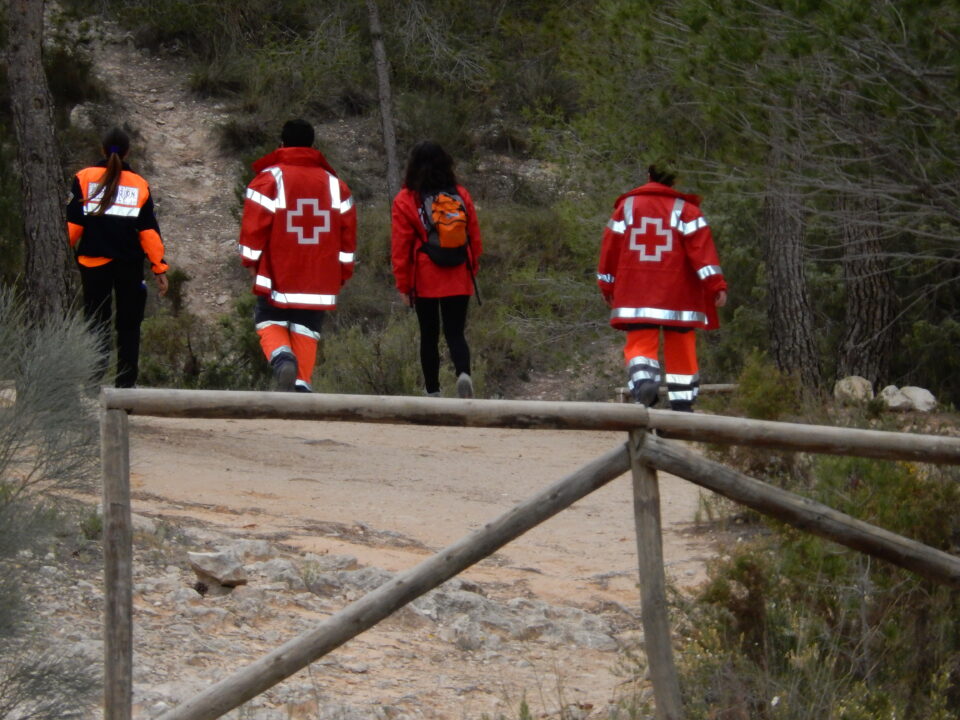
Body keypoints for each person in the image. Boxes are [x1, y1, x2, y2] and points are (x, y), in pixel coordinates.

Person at [238, 119, 356, 392]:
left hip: (278, 272)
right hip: (320, 276)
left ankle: (282, 359)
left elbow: (254, 229)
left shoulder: (269, 179)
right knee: (306, 329)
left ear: (282, 143)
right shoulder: (336, 185)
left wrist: (250, 262)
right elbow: (348, 238)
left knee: (268, 320)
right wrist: (342, 273)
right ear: (313, 146)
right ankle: (300, 389)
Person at [597, 164, 727, 411]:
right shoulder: (688, 211)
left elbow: (609, 250)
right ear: (676, 180)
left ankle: (645, 382)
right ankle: (682, 406)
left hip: (636, 294)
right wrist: (716, 285)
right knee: (682, 349)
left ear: (649, 176)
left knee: (639, 345)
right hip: (680, 297)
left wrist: (607, 284)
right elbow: (703, 254)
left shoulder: (626, 208)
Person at [66, 127, 169, 388]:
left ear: (102, 150)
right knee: (129, 325)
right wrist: (159, 268)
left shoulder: (83, 178)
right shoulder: (139, 183)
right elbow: (148, 232)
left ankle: (92, 382)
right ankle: (125, 386)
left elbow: (73, 226)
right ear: (128, 152)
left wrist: (61, 254)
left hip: (92, 263)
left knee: (96, 322)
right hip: (129, 265)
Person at [391, 141, 482, 398]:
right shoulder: (460, 194)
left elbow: (400, 246)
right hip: (458, 271)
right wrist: (471, 267)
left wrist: (403, 284)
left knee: (428, 335)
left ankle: (433, 392)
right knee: (455, 332)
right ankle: (463, 374)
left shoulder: (405, 199)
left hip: (425, 276)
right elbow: (474, 236)